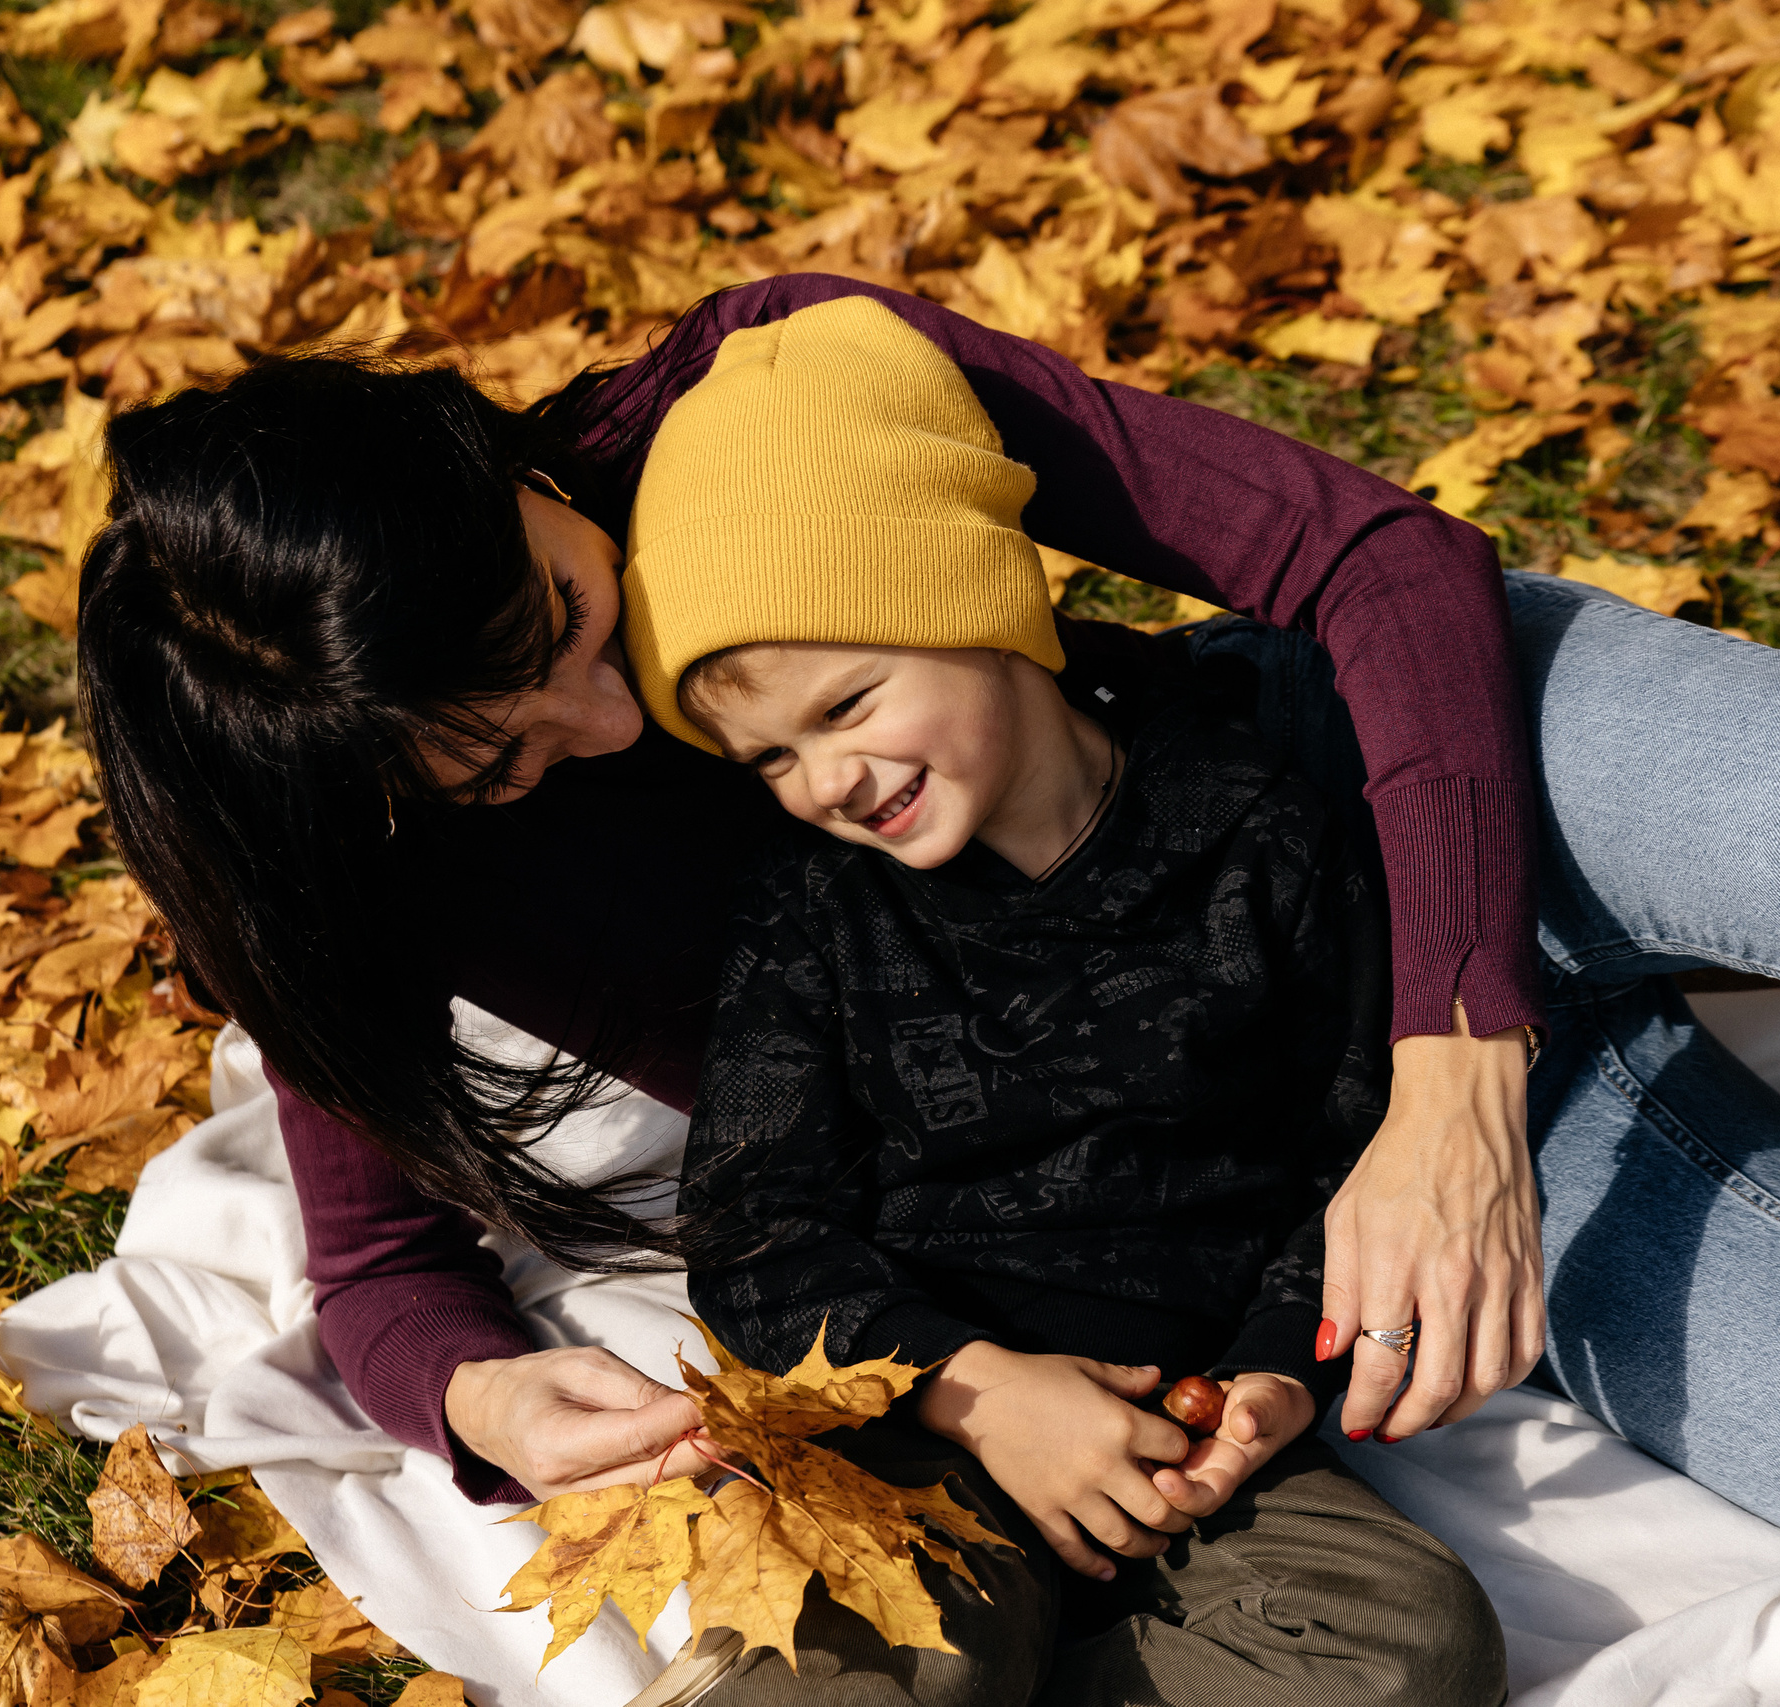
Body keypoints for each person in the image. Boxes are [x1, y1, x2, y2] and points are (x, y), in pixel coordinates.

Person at [78, 269, 1780, 1662]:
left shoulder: (750, 412)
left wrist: (1457, 1058)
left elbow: (1362, 553)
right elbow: (382, 1264)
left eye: (566, 619)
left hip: (1339, 786)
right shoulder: (355, 877)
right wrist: (477, 1396)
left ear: (490, 456)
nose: (606, 716)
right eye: (495, 761)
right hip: (1267, 1117)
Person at [622, 296, 1505, 1701]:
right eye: (770, 759)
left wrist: (1276, 1375)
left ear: (974, 610)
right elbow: (752, 1229)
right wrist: (969, 1389)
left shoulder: (1253, 828)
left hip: (1183, 1435)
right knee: (882, 1659)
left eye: (847, 706)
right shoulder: (816, 909)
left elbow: (1348, 1146)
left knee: (1408, 1644)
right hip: (923, 1417)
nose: (826, 780)